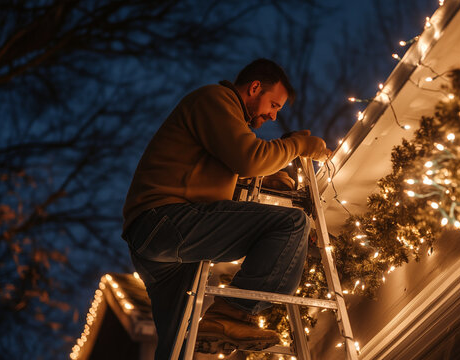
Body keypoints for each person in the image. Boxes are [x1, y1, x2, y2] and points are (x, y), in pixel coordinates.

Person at [121, 58, 331, 359]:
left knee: (181, 344)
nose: (273, 116)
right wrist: (298, 146)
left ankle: (219, 323)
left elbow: (226, 166)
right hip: (167, 220)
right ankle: (232, 315)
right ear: (255, 87)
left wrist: (265, 176)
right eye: (274, 105)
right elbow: (247, 157)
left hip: (154, 238)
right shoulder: (216, 99)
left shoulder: (218, 118)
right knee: (292, 224)